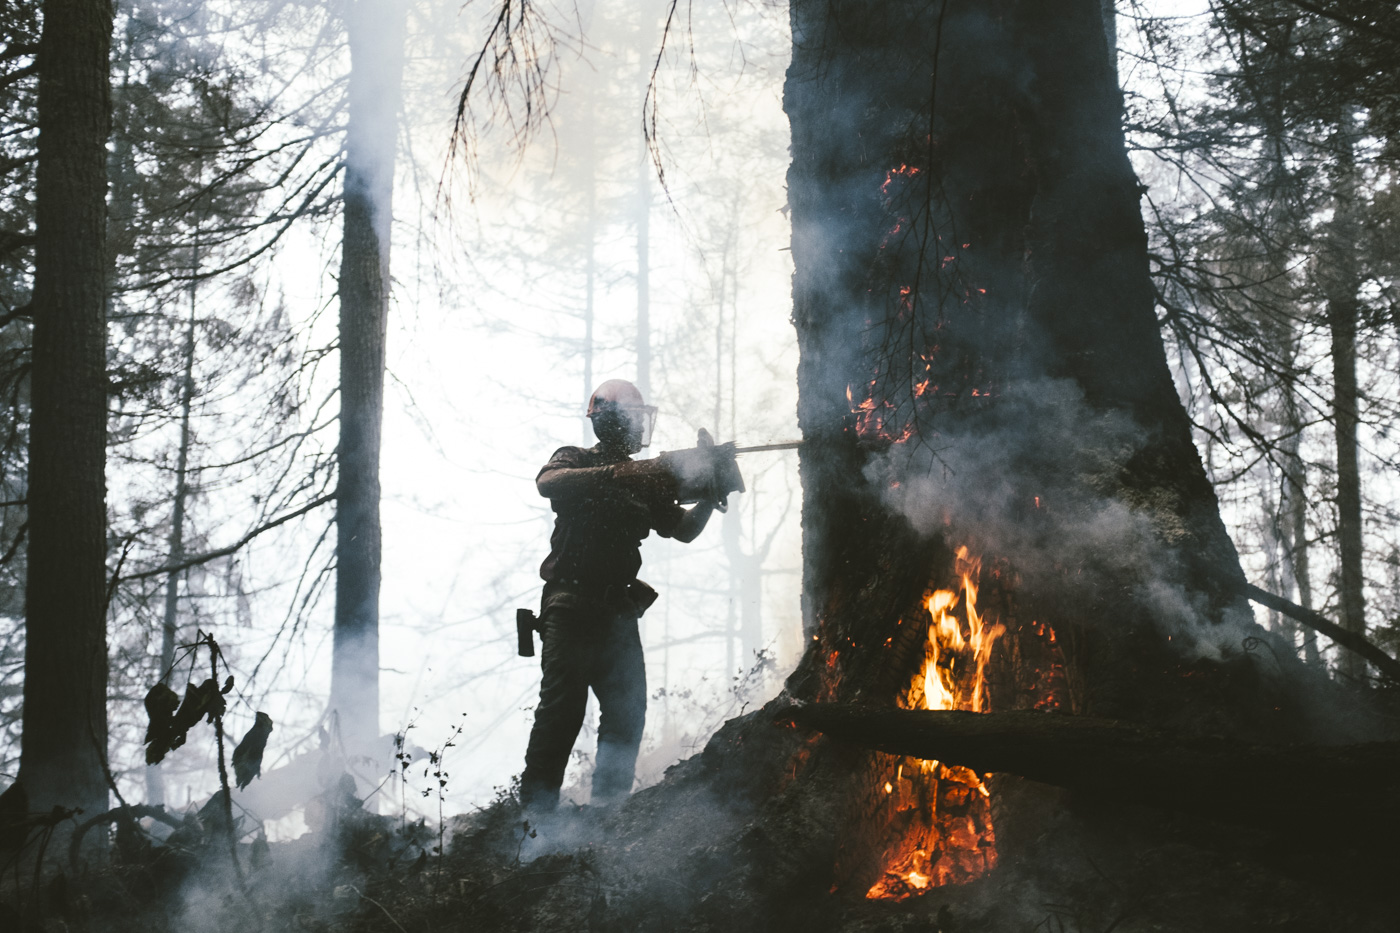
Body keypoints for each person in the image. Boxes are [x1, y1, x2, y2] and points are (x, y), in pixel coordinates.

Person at [519, 379, 738, 812]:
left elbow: (684, 531)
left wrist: (712, 495)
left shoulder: (646, 482)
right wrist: (618, 474)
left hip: (617, 612)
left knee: (626, 714)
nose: (640, 427)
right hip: (569, 606)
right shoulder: (575, 460)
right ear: (611, 421)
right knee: (561, 714)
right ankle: (534, 822)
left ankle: (607, 812)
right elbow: (549, 483)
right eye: (633, 418)